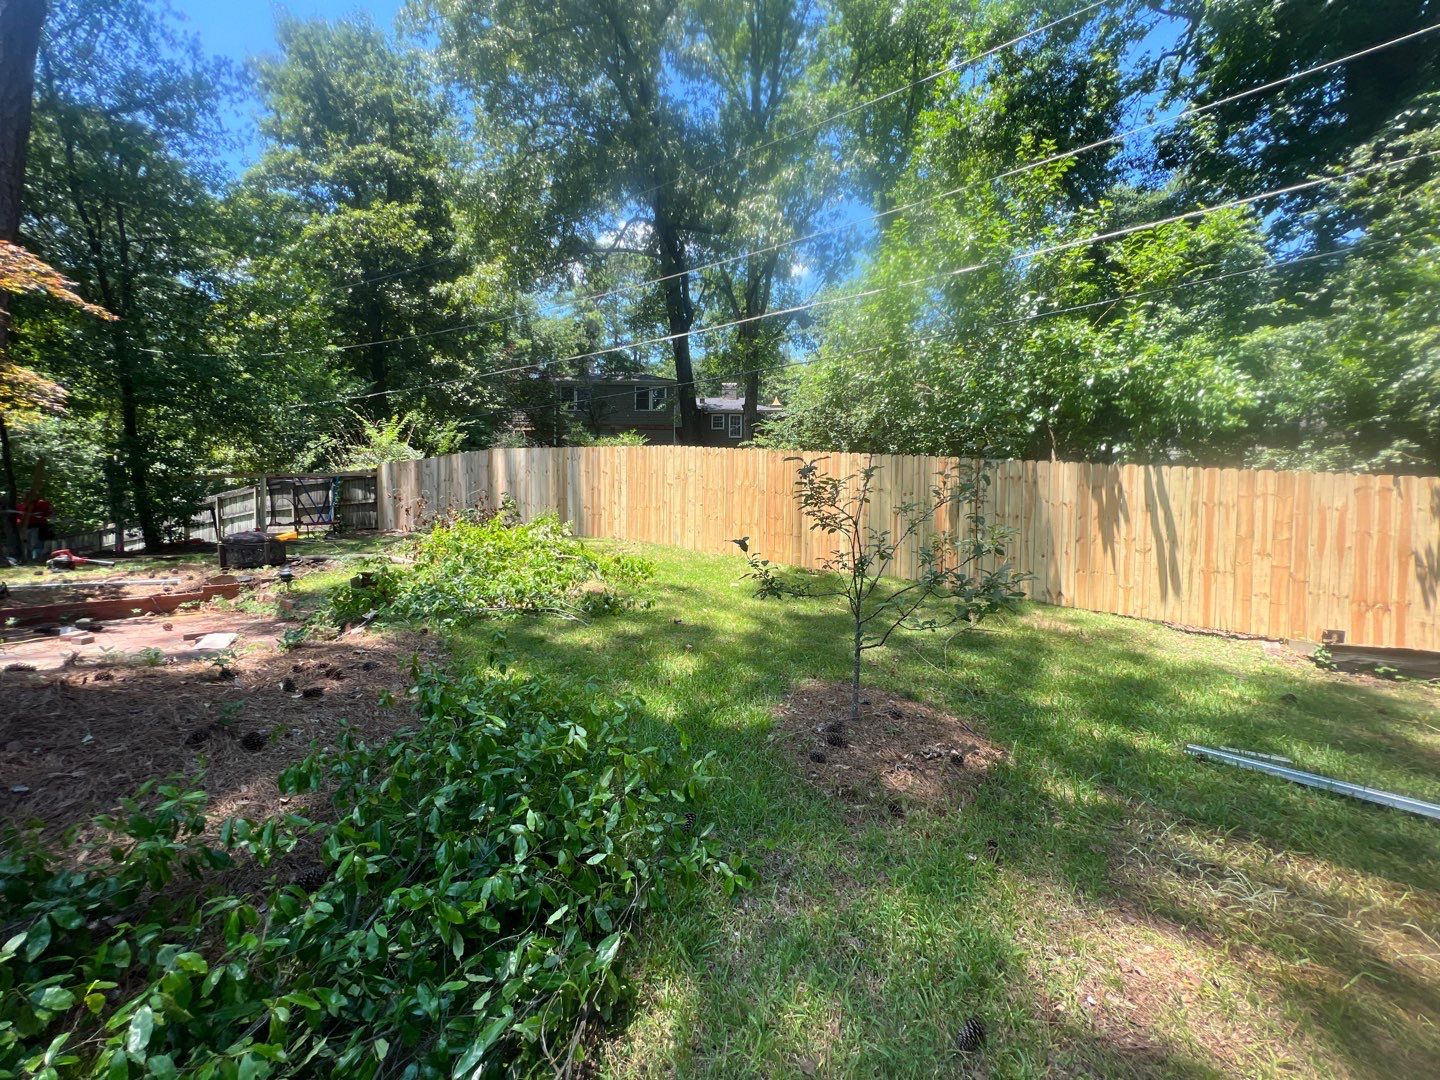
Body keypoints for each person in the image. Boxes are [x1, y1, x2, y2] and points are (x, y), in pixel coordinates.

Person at [16, 495, 53, 562]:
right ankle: (29, 559)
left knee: (38, 544)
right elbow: (18, 518)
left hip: (40, 527)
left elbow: (49, 513)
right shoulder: (20, 506)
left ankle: (37, 559)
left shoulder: (42, 503)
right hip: (26, 528)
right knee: (28, 544)